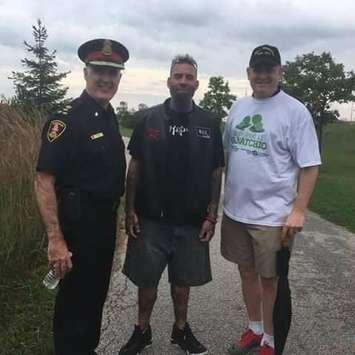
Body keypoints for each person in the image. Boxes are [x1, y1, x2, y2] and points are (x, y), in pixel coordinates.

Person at [119, 54, 224, 355]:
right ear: (168, 82)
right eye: (177, 76)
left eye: (188, 77)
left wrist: (212, 215)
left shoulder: (208, 123)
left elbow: (216, 171)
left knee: (182, 284)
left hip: (191, 221)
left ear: (196, 84)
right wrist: (129, 211)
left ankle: (181, 330)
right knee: (146, 282)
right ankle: (142, 331)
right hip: (151, 219)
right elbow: (135, 167)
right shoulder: (148, 119)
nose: (182, 81)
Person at [222, 44, 321, 355]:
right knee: (245, 271)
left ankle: (270, 338)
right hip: (236, 212)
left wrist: (299, 211)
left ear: (280, 72)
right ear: (249, 73)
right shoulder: (238, 109)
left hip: (273, 217)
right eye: (258, 69)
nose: (263, 75)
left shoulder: (295, 111)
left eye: (270, 69)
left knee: (270, 279)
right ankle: (254, 328)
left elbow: (310, 165)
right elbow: (226, 155)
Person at [34, 38, 128, 355]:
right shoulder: (66, 120)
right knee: (74, 304)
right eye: (99, 70)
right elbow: (44, 179)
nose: (105, 79)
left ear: (119, 78)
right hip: (75, 229)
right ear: (86, 72)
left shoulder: (108, 115)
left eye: (112, 73)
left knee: (94, 298)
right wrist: (55, 239)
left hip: (102, 226)